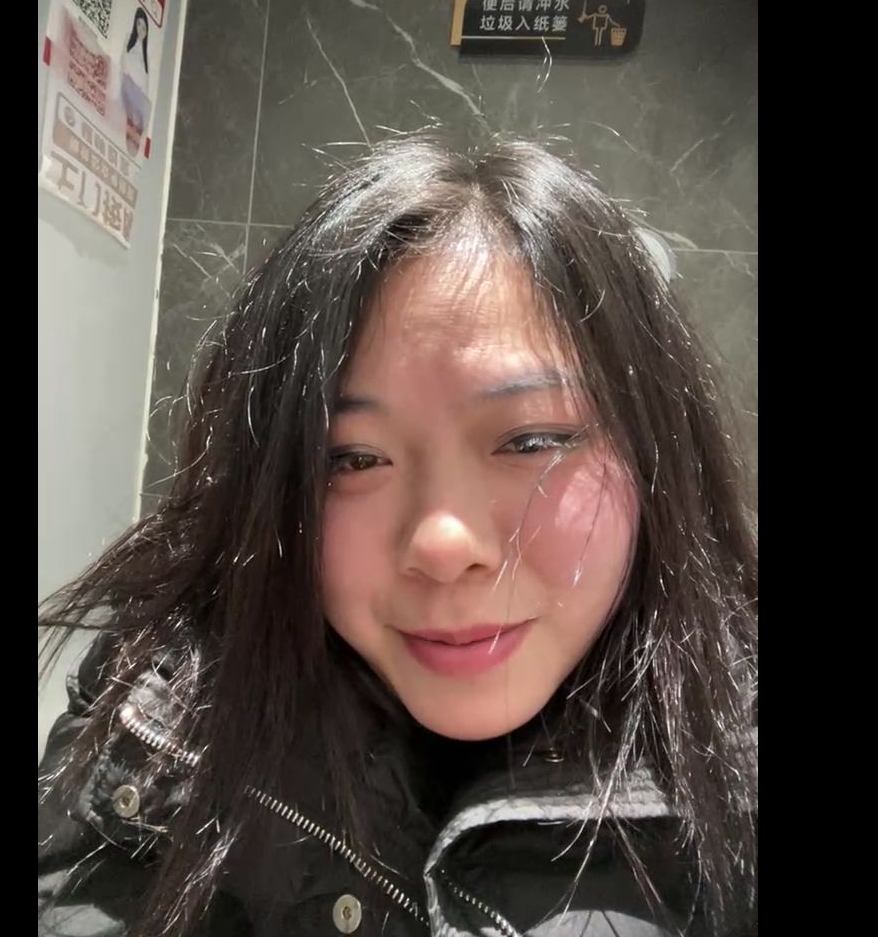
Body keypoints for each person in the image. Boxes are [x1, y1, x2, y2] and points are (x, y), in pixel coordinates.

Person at [38, 137, 757, 937]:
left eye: (531, 441)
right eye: (352, 459)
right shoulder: (167, 694)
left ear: (658, 454)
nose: (443, 544)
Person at [120, 7, 150, 156]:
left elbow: (146, 81)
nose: (141, 30)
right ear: (135, 24)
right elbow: (123, 61)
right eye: (139, 24)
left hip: (139, 93)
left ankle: (133, 149)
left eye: (144, 27)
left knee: (137, 120)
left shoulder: (145, 55)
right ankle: (128, 145)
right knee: (131, 117)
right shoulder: (129, 39)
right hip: (129, 85)